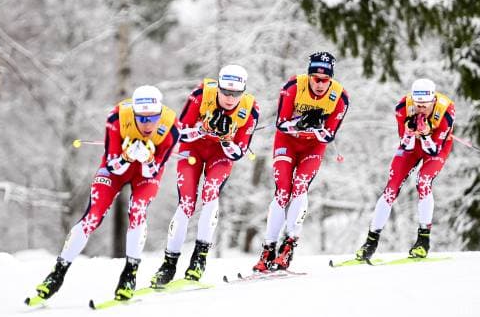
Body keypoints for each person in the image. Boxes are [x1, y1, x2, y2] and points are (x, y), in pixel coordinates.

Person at [32, 85, 179, 302]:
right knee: (92, 216)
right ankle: (57, 273)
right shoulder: (117, 117)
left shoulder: (171, 126)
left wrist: (147, 159)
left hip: (146, 174)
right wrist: (127, 157)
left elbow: (154, 170)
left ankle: (129, 274)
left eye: (153, 117)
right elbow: (112, 166)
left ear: (160, 112)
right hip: (117, 168)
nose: (148, 124)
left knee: (137, 211)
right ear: (135, 113)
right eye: (142, 118)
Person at [150, 65, 259, 286]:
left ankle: (199, 259)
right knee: (187, 203)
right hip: (192, 151)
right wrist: (201, 129)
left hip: (220, 155)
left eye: (236, 93)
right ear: (217, 88)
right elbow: (180, 131)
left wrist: (227, 139)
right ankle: (168, 265)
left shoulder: (250, 108)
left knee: (210, 195)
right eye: (225, 92)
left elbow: (239, 152)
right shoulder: (201, 95)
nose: (230, 98)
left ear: (243, 92)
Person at [254, 51, 350, 272]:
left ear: (331, 79)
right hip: (287, 142)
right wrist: (299, 124)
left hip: (312, 147)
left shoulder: (340, 96)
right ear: (309, 76)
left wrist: (317, 127)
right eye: (315, 78)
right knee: (282, 191)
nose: (319, 84)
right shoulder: (293, 87)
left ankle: (289, 245)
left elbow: (329, 134)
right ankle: (268, 249)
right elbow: (280, 123)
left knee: (300, 188)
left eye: (325, 80)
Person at [354, 78, 456, 261]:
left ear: (433, 100)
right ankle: (370, 242)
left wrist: (425, 134)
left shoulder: (446, 109)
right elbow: (406, 146)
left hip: (436, 147)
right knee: (390, 189)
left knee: (423, 181)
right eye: (418, 105)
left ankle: (423, 241)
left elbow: (434, 149)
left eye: (425, 105)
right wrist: (409, 133)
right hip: (411, 148)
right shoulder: (403, 106)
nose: (421, 109)